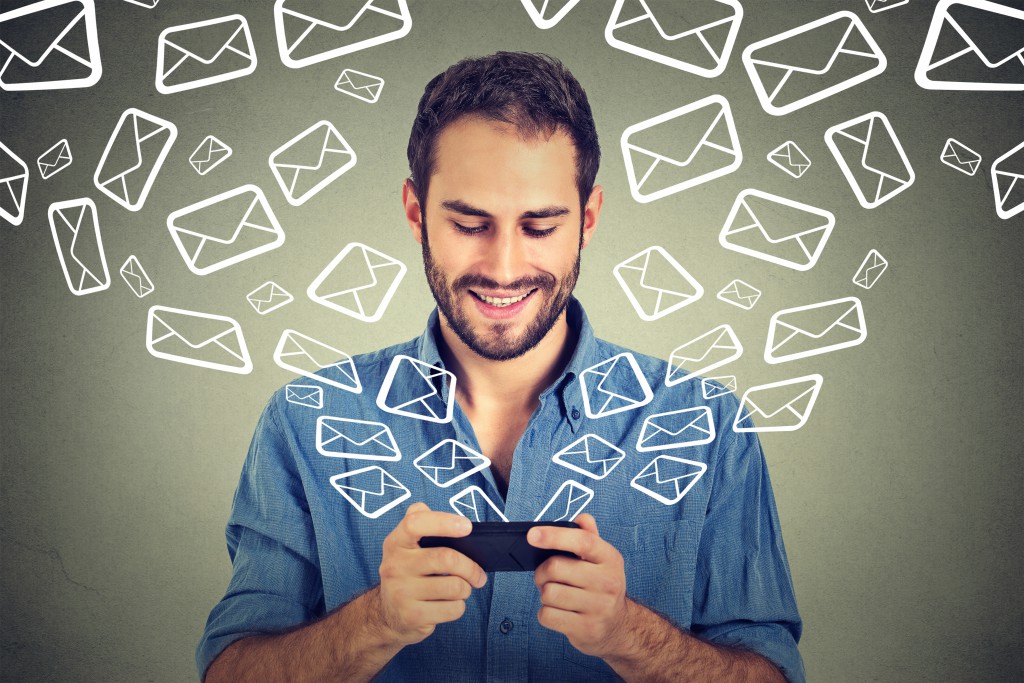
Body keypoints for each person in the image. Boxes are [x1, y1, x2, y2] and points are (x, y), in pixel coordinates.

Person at [197, 52, 804, 682]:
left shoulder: (707, 424)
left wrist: (627, 634)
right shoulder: (305, 421)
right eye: (468, 223)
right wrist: (375, 622)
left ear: (588, 220)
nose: (505, 267)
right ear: (416, 214)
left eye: (540, 226)